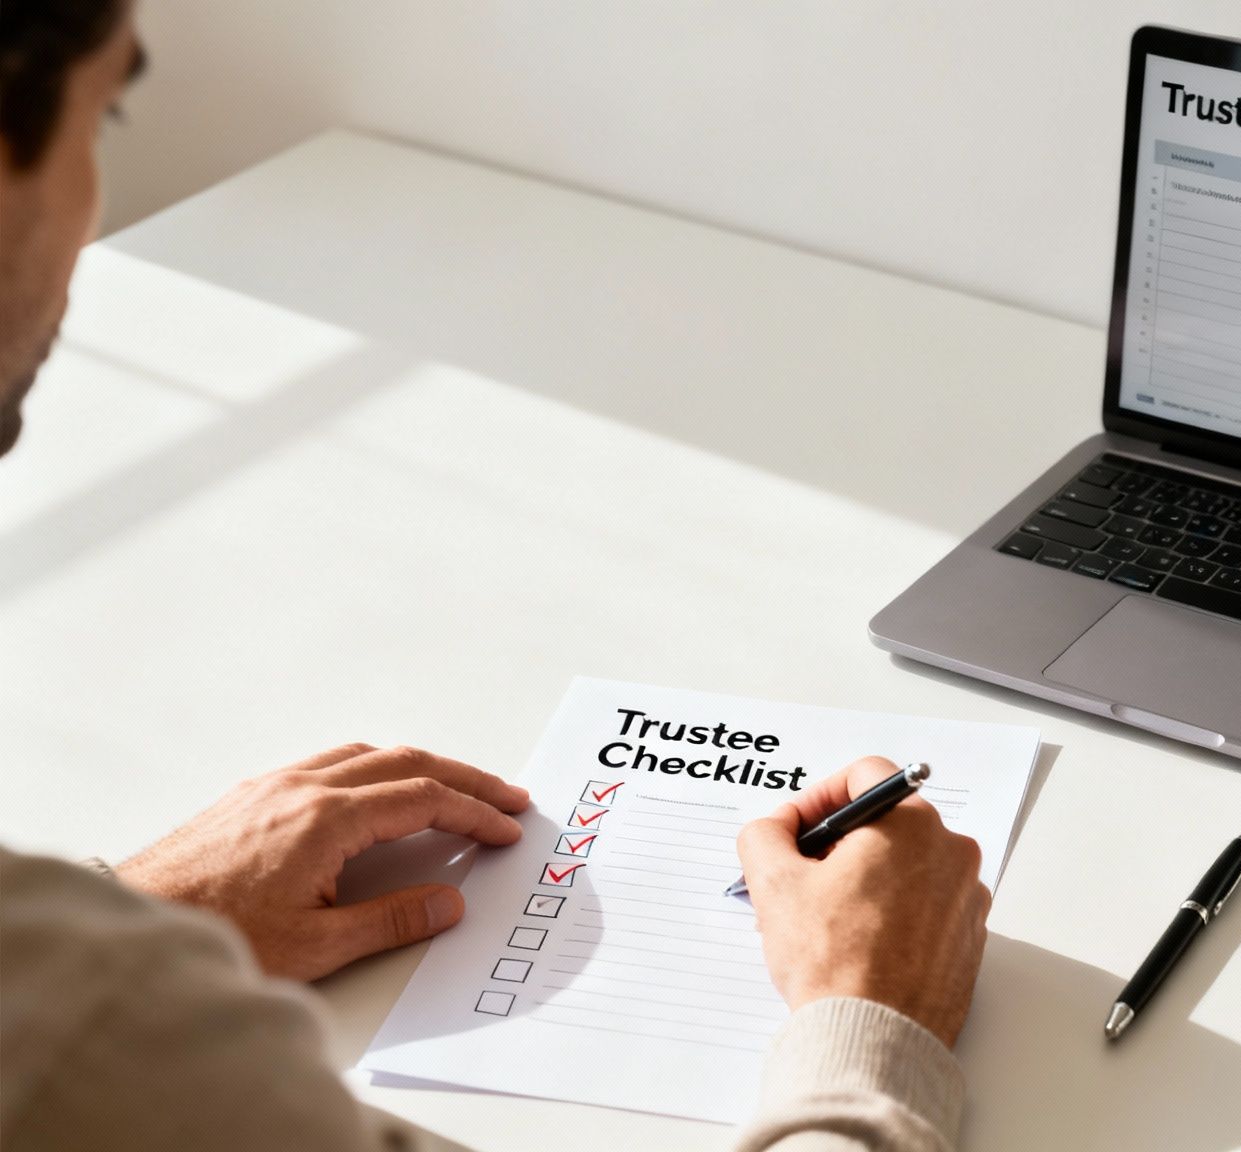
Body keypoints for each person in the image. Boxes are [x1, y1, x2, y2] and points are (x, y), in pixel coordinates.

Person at [0, 4, 991, 1149]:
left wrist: (123, 919)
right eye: (104, 112)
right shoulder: (94, 1049)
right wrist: (875, 1024)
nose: (95, 210)